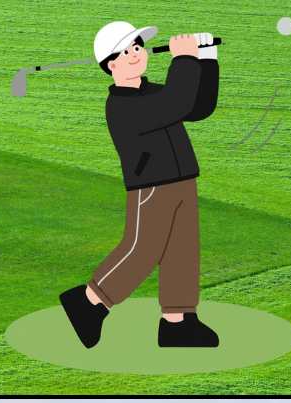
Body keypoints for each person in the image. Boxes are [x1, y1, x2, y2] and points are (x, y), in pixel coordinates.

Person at [59, 22, 220, 351]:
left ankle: (178, 321)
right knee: (142, 249)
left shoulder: (155, 92)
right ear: (110, 65)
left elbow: (197, 107)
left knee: (182, 250)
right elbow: (176, 102)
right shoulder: (120, 105)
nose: (135, 54)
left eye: (137, 47)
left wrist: (207, 59)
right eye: (125, 52)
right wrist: (184, 59)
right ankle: (89, 301)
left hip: (183, 178)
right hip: (151, 185)